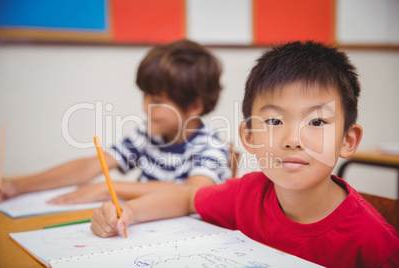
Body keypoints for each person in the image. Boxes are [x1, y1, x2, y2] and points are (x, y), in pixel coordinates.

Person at [91, 41, 399, 268]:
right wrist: (128, 212)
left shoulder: (376, 245)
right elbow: (186, 198)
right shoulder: (247, 194)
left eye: (316, 121)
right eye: (274, 121)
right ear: (249, 137)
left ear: (348, 139)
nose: (292, 139)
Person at [0, 40, 232, 204]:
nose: (144, 108)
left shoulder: (210, 147)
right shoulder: (149, 136)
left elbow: (193, 191)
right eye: (145, 96)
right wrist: (17, 186)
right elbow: (91, 165)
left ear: (194, 106)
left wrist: (108, 188)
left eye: (157, 101)